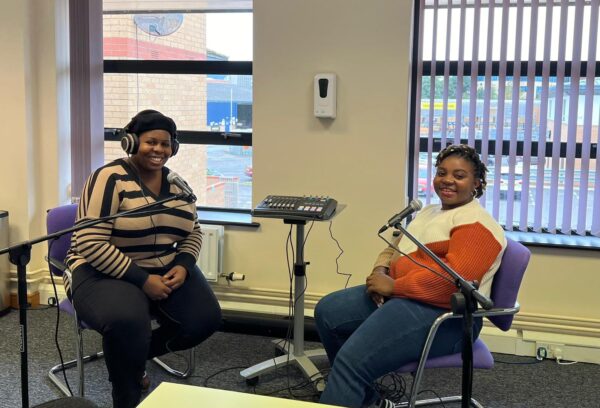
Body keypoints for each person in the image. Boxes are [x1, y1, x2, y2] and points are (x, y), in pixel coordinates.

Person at [314, 144, 506, 408]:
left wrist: (394, 287)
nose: (447, 180)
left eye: (459, 175)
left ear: (477, 183)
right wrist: (380, 272)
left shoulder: (477, 225)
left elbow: (451, 285)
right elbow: (394, 246)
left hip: (447, 317)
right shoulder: (429, 212)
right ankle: (366, 399)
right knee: (329, 311)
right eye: (441, 172)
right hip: (406, 297)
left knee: (351, 362)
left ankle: (350, 380)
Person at [65, 109, 222, 408]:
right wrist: (142, 279)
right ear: (131, 141)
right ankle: (126, 394)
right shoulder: (108, 178)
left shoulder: (177, 185)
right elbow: (89, 241)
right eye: (151, 142)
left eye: (166, 144)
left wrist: (184, 264)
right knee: (127, 321)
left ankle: (129, 355)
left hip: (163, 266)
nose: (159, 150)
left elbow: (194, 230)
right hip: (99, 269)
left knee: (205, 320)